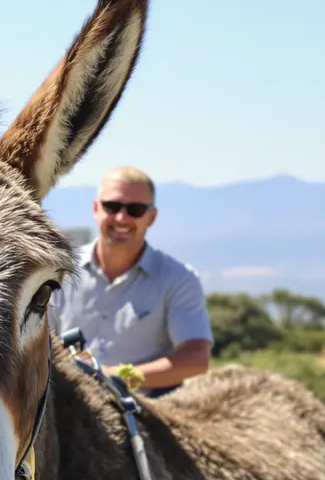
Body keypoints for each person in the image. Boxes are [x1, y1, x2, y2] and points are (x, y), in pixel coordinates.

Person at [49, 166, 213, 397]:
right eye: (112, 206)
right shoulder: (59, 271)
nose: (122, 217)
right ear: (96, 209)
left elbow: (195, 359)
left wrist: (111, 377)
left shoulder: (179, 279)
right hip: (68, 403)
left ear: (151, 217)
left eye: (135, 209)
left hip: (149, 410)